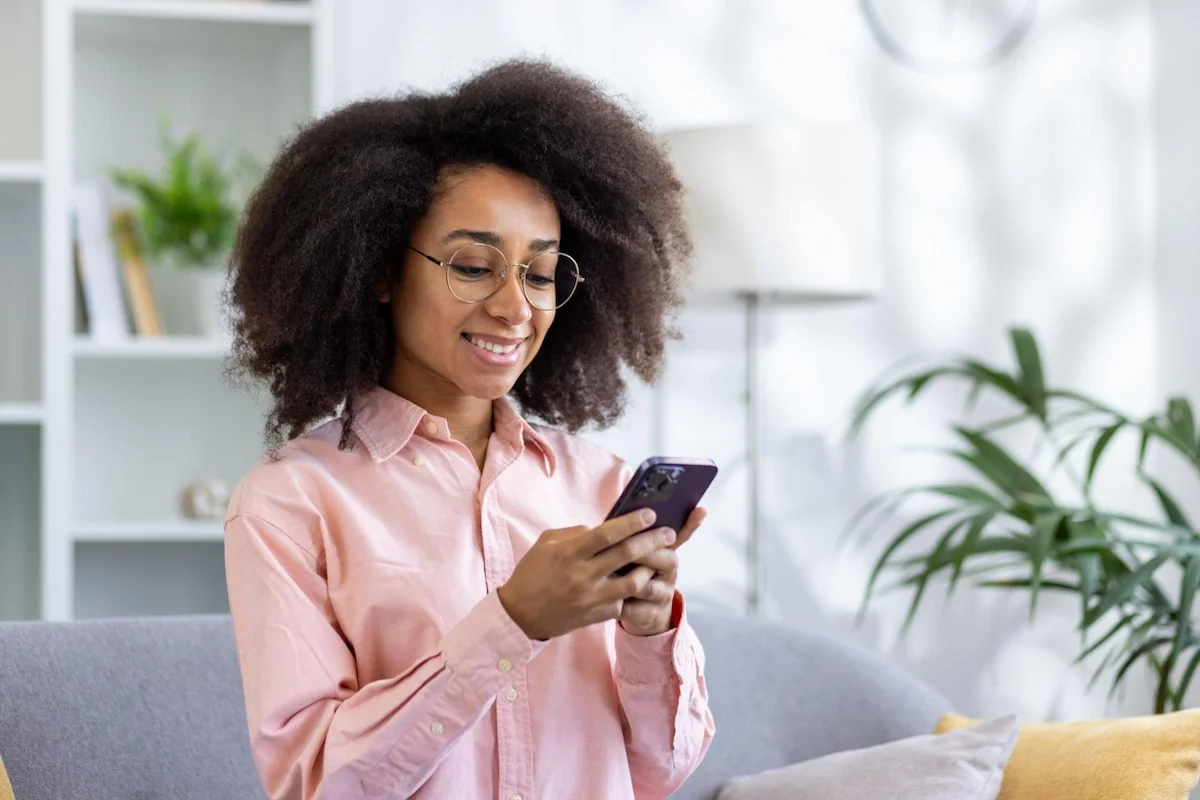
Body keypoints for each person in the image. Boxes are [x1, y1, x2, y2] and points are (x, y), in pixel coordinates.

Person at [223, 59, 714, 800]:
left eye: (540, 274)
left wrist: (650, 633)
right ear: (382, 269)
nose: (515, 308)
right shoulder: (291, 506)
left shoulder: (600, 485)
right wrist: (512, 622)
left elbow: (659, 771)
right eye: (474, 266)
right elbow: (314, 783)